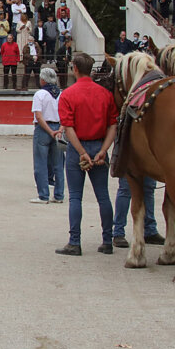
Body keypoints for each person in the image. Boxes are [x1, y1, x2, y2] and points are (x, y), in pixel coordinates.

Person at [54, 53, 116, 256]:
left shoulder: (68, 94)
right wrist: (103, 150)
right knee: (103, 197)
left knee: (75, 197)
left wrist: (81, 152)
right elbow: (112, 125)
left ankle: (75, 242)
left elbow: (69, 127)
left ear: (75, 69)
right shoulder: (105, 94)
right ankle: (107, 240)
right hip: (99, 146)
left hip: (77, 148)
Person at [30, 66, 65, 204]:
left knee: (41, 163)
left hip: (43, 129)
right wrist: (60, 129)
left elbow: (38, 116)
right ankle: (59, 195)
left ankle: (43, 195)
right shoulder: (61, 94)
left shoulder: (40, 94)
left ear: (43, 80)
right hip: (58, 127)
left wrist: (50, 131)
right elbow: (66, 115)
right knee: (58, 163)